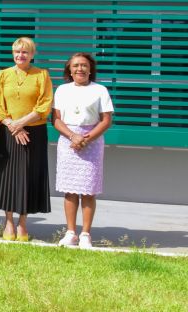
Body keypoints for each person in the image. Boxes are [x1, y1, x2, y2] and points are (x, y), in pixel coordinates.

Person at [0, 36, 53, 241]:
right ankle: (8, 222)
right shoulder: (2, 75)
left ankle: (23, 224)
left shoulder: (42, 75)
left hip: (33, 133)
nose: (20, 55)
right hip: (8, 132)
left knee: (27, 176)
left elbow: (44, 106)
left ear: (32, 54)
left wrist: (22, 123)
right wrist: (13, 125)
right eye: (17, 51)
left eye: (25, 52)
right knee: (7, 177)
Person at [53, 53, 114, 249]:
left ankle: (85, 234)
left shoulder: (100, 90)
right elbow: (56, 119)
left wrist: (86, 139)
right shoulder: (62, 90)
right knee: (70, 190)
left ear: (90, 69)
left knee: (88, 191)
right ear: (69, 70)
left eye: (84, 66)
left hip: (92, 141)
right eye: (76, 66)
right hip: (68, 140)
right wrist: (73, 136)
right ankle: (71, 232)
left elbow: (106, 120)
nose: (80, 69)